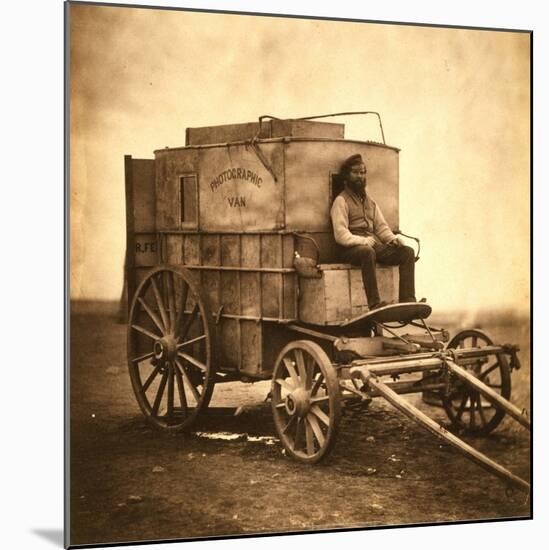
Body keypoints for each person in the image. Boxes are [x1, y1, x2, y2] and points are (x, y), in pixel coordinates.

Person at [330, 153, 422, 310]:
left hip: (370, 245)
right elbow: (341, 234)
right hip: (348, 249)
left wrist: (392, 239)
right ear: (347, 176)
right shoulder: (341, 201)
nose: (360, 176)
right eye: (356, 172)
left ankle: (408, 300)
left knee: (407, 252)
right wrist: (362, 241)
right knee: (367, 252)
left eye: (363, 172)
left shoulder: (370, 202)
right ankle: (374, 304)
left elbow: (381, 227)